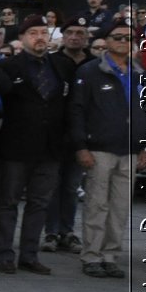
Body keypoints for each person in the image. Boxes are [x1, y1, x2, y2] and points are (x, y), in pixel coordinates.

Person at [0, 15, 66, 274]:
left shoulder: (60, 65)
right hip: (16, 146)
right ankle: (5, 254)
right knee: (9, 202)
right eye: (33, 32)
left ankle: (29, 255)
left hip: (50, 147)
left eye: (44, 32)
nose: (40, 37)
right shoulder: (9, 66)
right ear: (22, 38)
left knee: (39, 203)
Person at [70, 18, 146, 278]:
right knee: (97, 204)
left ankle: (110, 255)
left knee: (120, 207)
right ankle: (91, 255)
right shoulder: (90, 71)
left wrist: (145, 146)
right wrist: (81, 146)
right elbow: (77, 111)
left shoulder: (139, 73)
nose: (123, 42)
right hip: (99, 147)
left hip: (129, 150)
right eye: (117, 37)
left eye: (128, 38)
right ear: (105, 42)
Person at [43, 16, 92, 253]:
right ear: (63, 36)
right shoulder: (51, 61)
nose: (75, 37)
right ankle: (51, 231)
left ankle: (67, 230)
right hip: (54, 133)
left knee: (72, 186)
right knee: (52, 185)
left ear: (86, 37)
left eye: (80, 33)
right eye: (70, 32)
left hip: (81, 134)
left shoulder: (93, 63)